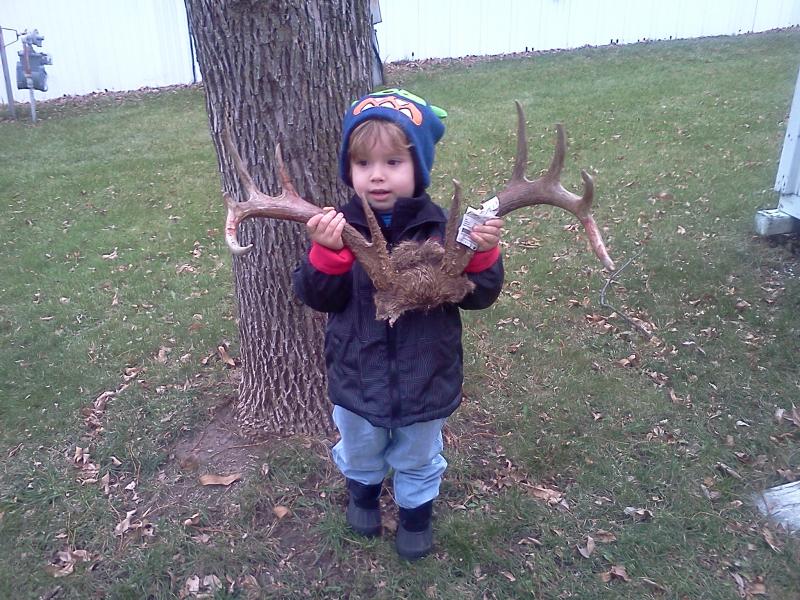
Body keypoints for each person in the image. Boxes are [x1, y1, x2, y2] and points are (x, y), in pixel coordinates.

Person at [292, 89, 504, 560]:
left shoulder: (444, 229)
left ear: (419, 168)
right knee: (359, 450)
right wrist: (326, 254)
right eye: (363, 163)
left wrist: (483, 253)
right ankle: (362, 500)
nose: (378, 175)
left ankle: (415, 518)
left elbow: (482, 297)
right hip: (356, 376)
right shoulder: (337, 227)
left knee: (418, 457)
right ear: (350, 171)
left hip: (426, 378)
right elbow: (317, 296)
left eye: (393, 161)